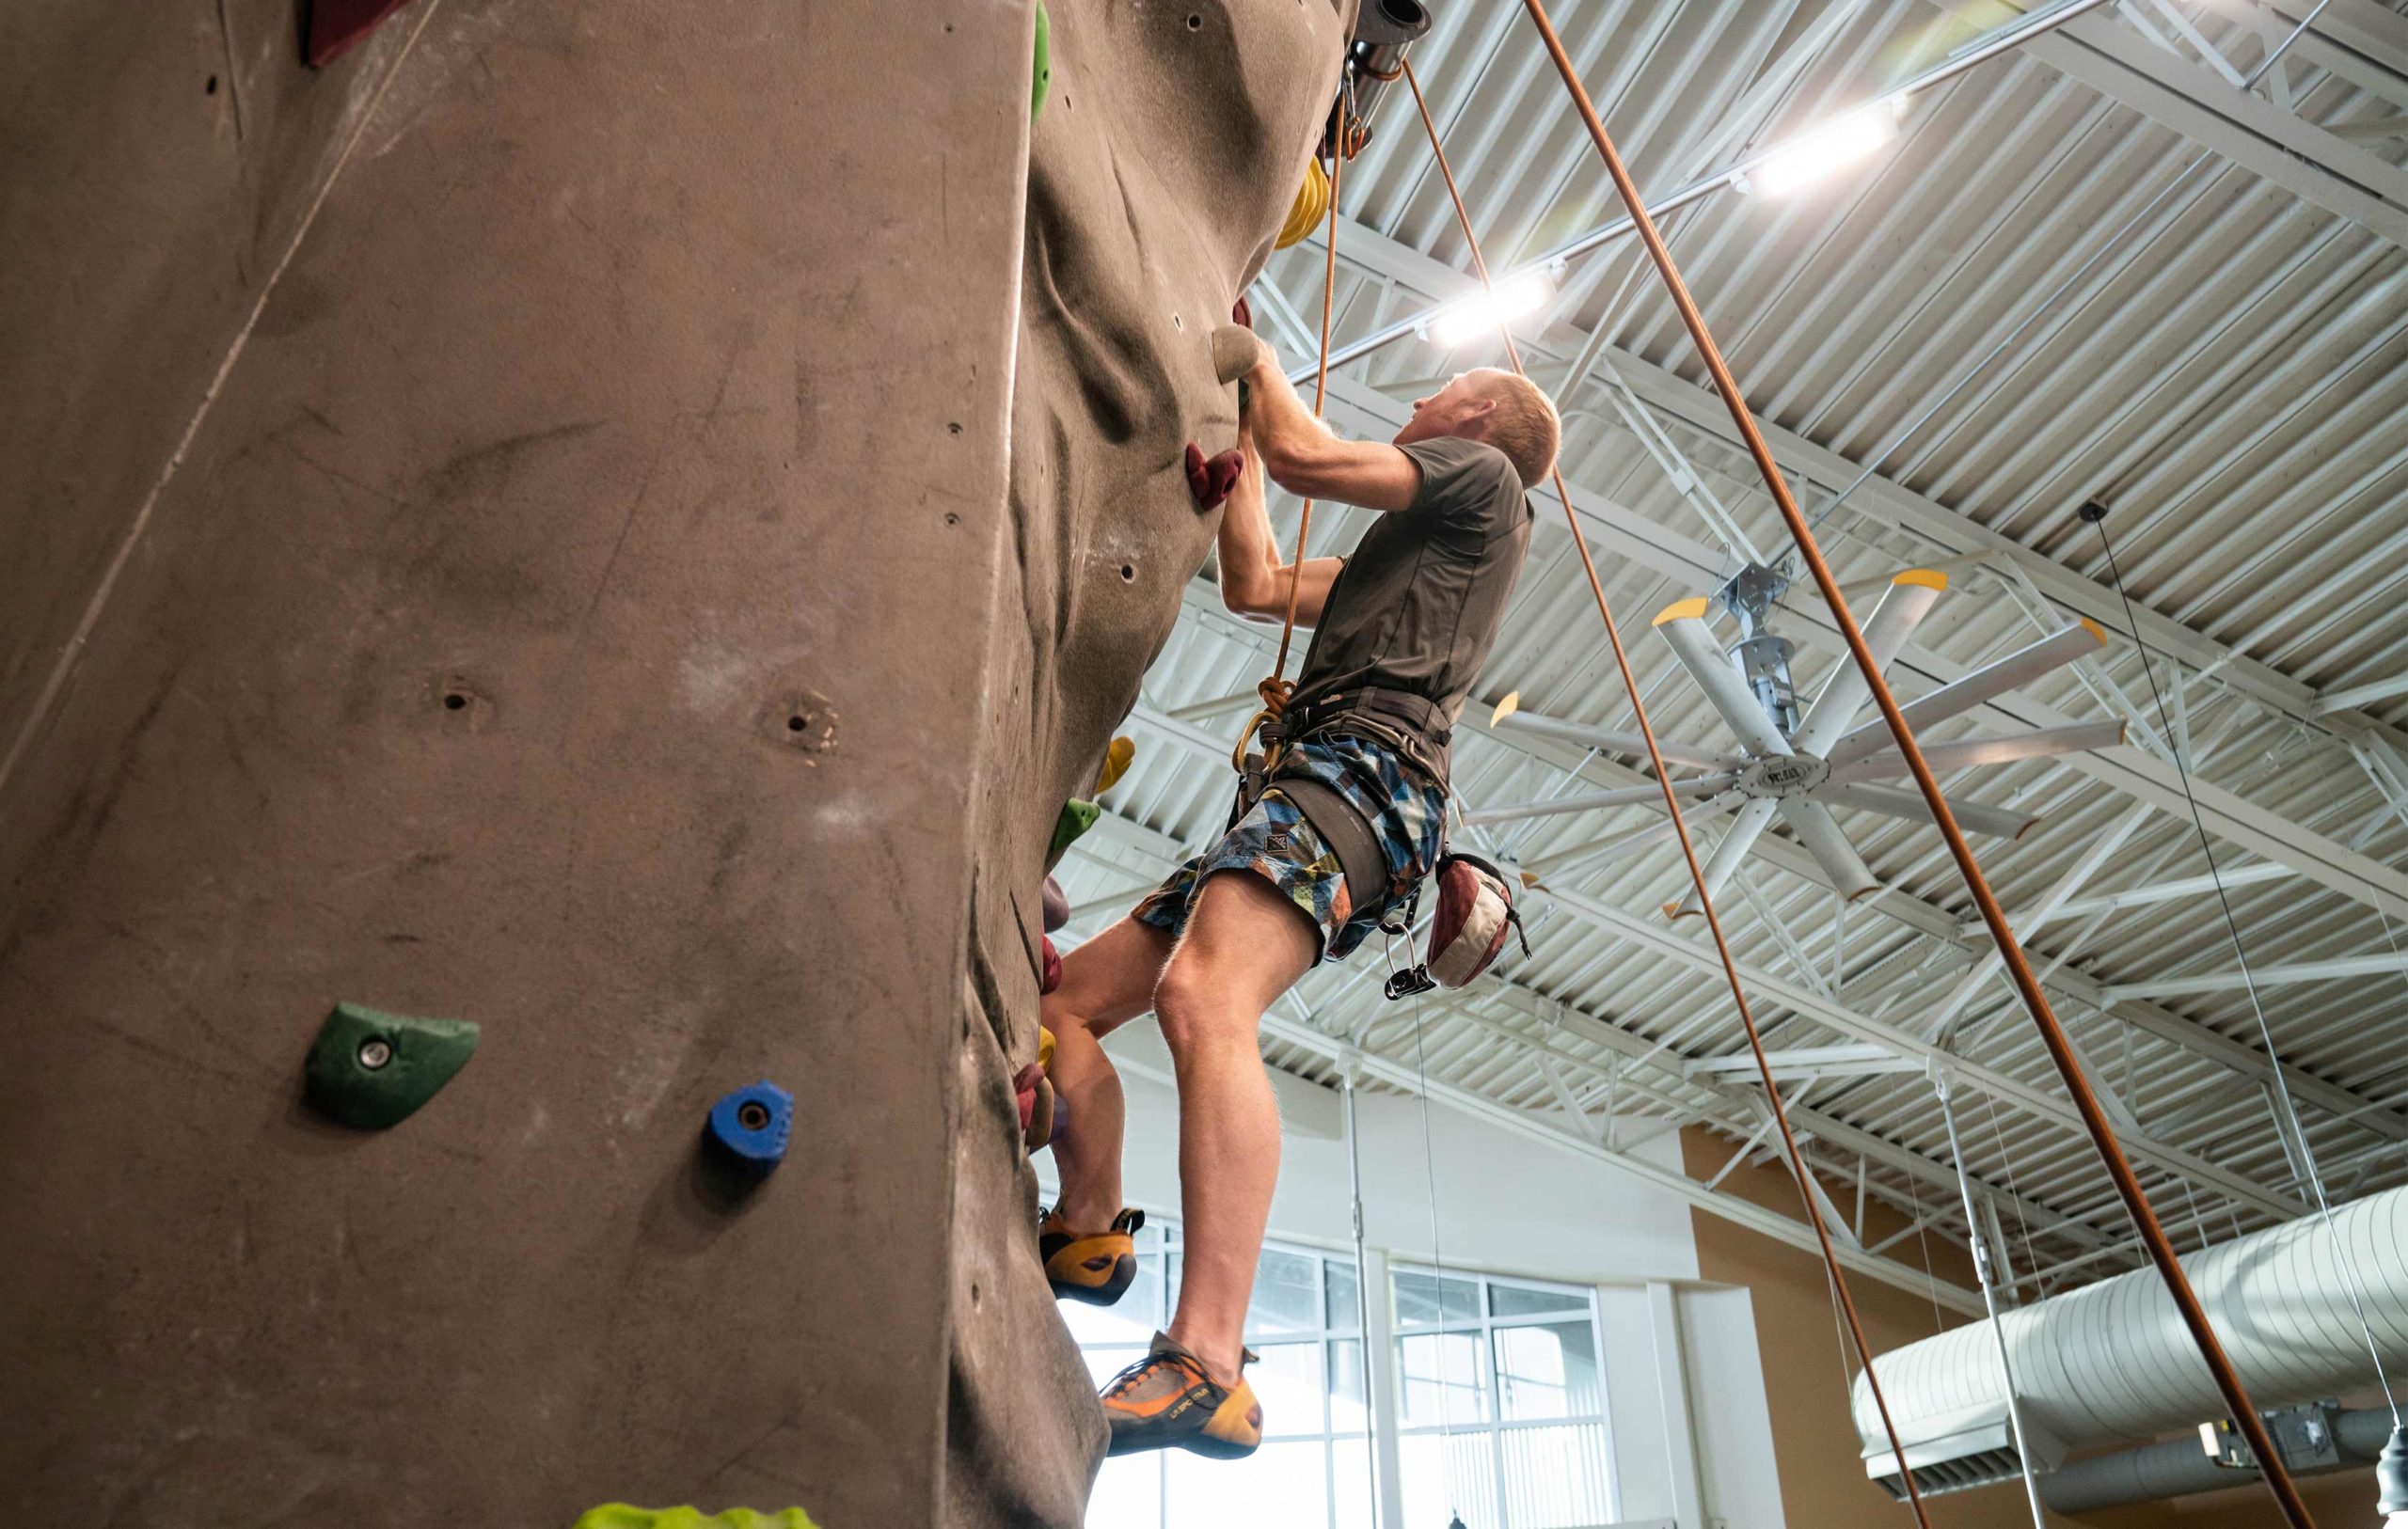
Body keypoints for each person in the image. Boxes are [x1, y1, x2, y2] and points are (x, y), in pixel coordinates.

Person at [1038, 336, 1561, 1460]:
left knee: (1205, 1002)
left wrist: (1251, 362)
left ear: (1475, 418)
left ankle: (1206, 1362)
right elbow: (1260, 585)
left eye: (1439, 390)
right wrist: (1235, 470)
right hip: (1304, 790)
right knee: (1063, 1008)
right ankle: (1090, 1233)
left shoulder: (1489, 483)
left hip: (1362, 780)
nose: (1421, 398)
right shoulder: (1405, 560)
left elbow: (1312, 457)